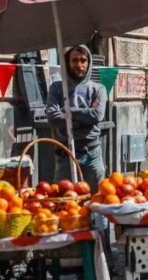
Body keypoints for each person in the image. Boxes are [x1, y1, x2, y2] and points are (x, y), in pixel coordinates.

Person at [46, 45, 107, 188]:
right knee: (64, 202)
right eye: (74, 60)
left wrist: (70, 112)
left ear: (88, 62)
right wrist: (85, 118)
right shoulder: (56, 88)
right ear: (67, 62)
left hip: (92, 154)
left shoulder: (98, 89)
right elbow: (53, 117)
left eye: (83, 60)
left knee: (96, 201)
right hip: (65, 155)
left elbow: (97, 115)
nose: (79, 65)